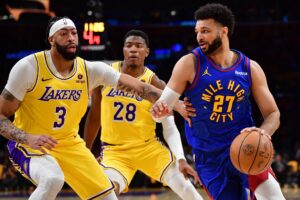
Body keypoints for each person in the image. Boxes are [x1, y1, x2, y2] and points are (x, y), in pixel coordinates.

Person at [0, 17, 165, 200]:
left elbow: (140, 87)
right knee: (52, 179)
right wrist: (27, 138)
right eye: (63, 34)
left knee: (109, 197)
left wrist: (176, 103)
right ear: (51, 40)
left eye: (73, 33)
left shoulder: (89, 70)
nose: (71, 37)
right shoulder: (29, 67)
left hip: (70, 144)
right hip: (29, 144)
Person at [150, 3, 285, 200]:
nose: (199, 37)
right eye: (197, 31)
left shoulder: (250, 68)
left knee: (274, 198)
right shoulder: (189, 63)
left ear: (224, 31)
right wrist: (160, 111)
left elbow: (273, 114)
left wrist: (263, 132)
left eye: (205, 31)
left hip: (245, 146)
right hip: (209, 158)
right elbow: (163, 105)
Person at [84, 29, 203, 200]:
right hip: (115, 151)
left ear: (146, 52)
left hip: (148, 149)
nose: (133, 49)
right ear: (123, 50)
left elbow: (169, 127)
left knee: (187, 188)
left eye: (138, 46)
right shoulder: (106, 76)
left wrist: (181, 159)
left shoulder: (155, 83)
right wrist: (86, 152)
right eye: (128, 46)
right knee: (106, 193)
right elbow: (94, 116)